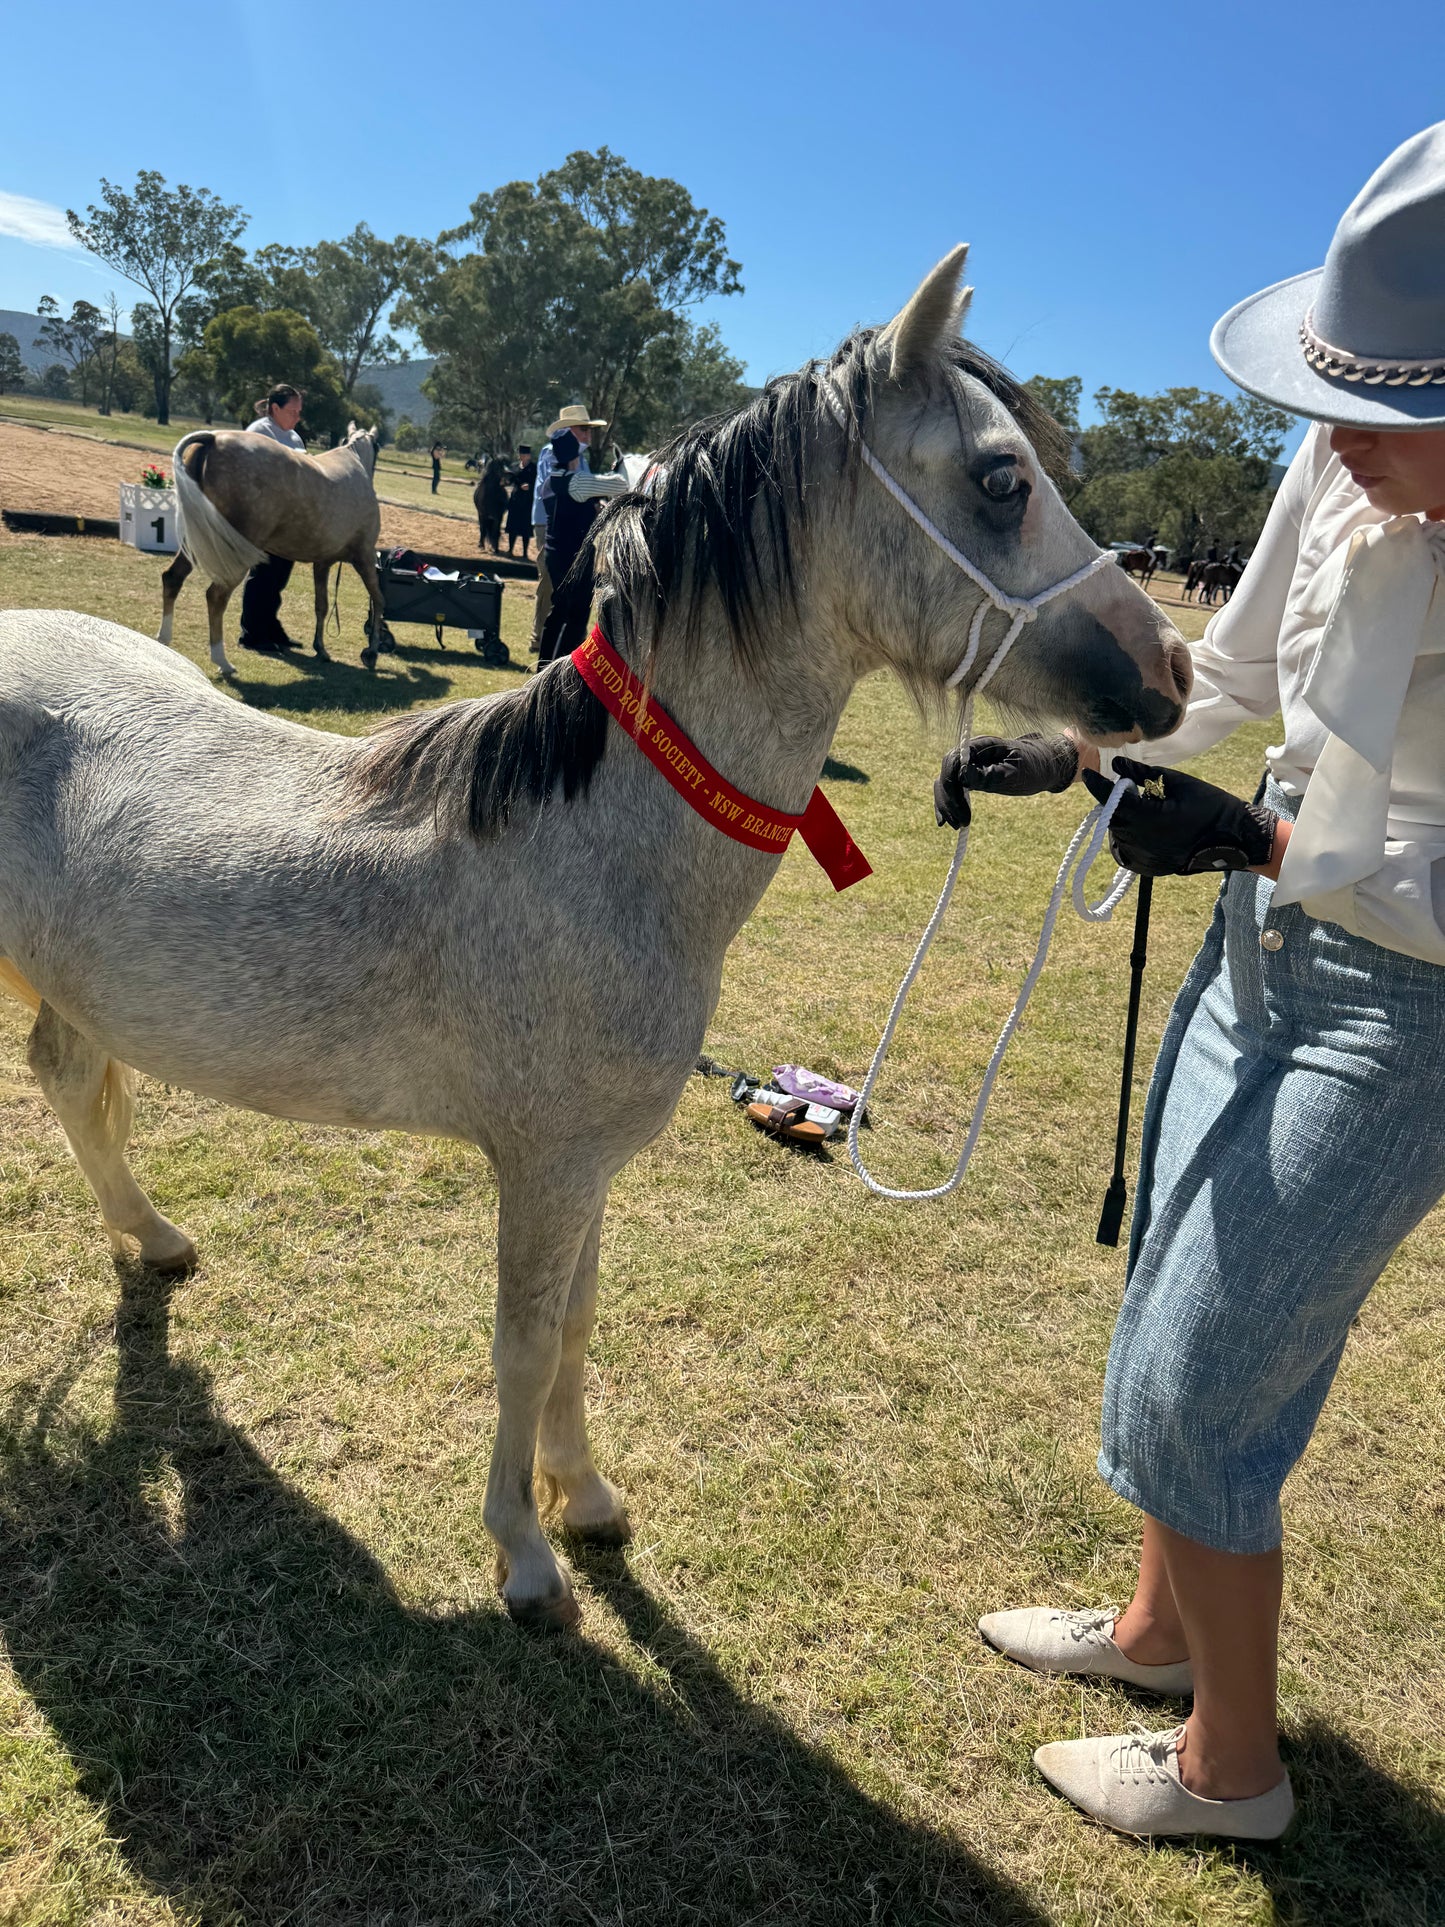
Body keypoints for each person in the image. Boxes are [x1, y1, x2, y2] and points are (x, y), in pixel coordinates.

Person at [936, 122, 1445, 1841]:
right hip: (1268, 940)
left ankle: (1235, 1770)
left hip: (1407, 1007)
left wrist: (1268, 845)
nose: (1340, 439)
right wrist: (1067, 749)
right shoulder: (1347, 457)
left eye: (1394, 408)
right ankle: (1157, 1636)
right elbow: (1223, 674)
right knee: (1165, 1286)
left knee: (1211, 1371)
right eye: (1338, 393)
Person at [535, 421, 625, 667]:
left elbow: (571, 511)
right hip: (573, 556)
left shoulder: (550, 482)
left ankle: (547, 665)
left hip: (557, 554)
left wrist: (592, 509)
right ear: (574, 455)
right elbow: (620, 484)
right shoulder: (578, 482)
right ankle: (560, 668)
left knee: (561, 611)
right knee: (573, 616)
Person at [531, 404, 608, 655]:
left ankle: (568, 648)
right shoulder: (550, 454)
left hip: (575, 533)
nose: (588, 434)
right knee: (551, 586)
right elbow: (552, 490)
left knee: (572, 599)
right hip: (551, 528)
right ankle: (539, 638)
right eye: (583, 429)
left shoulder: (581, 460)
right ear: (568, 430)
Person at [238, 384, 307, 656]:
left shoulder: (295, 437)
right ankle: (252, 633)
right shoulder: (259, 432)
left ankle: (270, 627)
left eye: (300, 412)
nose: (297, 417)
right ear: (275, 408)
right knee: (262, 574)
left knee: (279, 576)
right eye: (293, 411)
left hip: (288, 518)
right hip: (263, 516)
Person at [504, 445, 536, 559]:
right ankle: (510, 549)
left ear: (528, 456)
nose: (521, 457)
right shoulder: (514, 467)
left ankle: (525, 554)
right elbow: (511, 479)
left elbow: (538, 483)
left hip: (527, 502)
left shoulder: (534, 468)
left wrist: (530, 486)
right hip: (515, 500)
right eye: (520, 454)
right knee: (513, 526)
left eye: (523, 454)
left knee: (525, 528)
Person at [476, 453, 508, 553]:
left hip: (498, 493)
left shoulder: (501, 469)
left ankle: (494, 543)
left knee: (496, 522)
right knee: (482, 519)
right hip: (488, 489)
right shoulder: (490, 470)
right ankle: (482, 540)